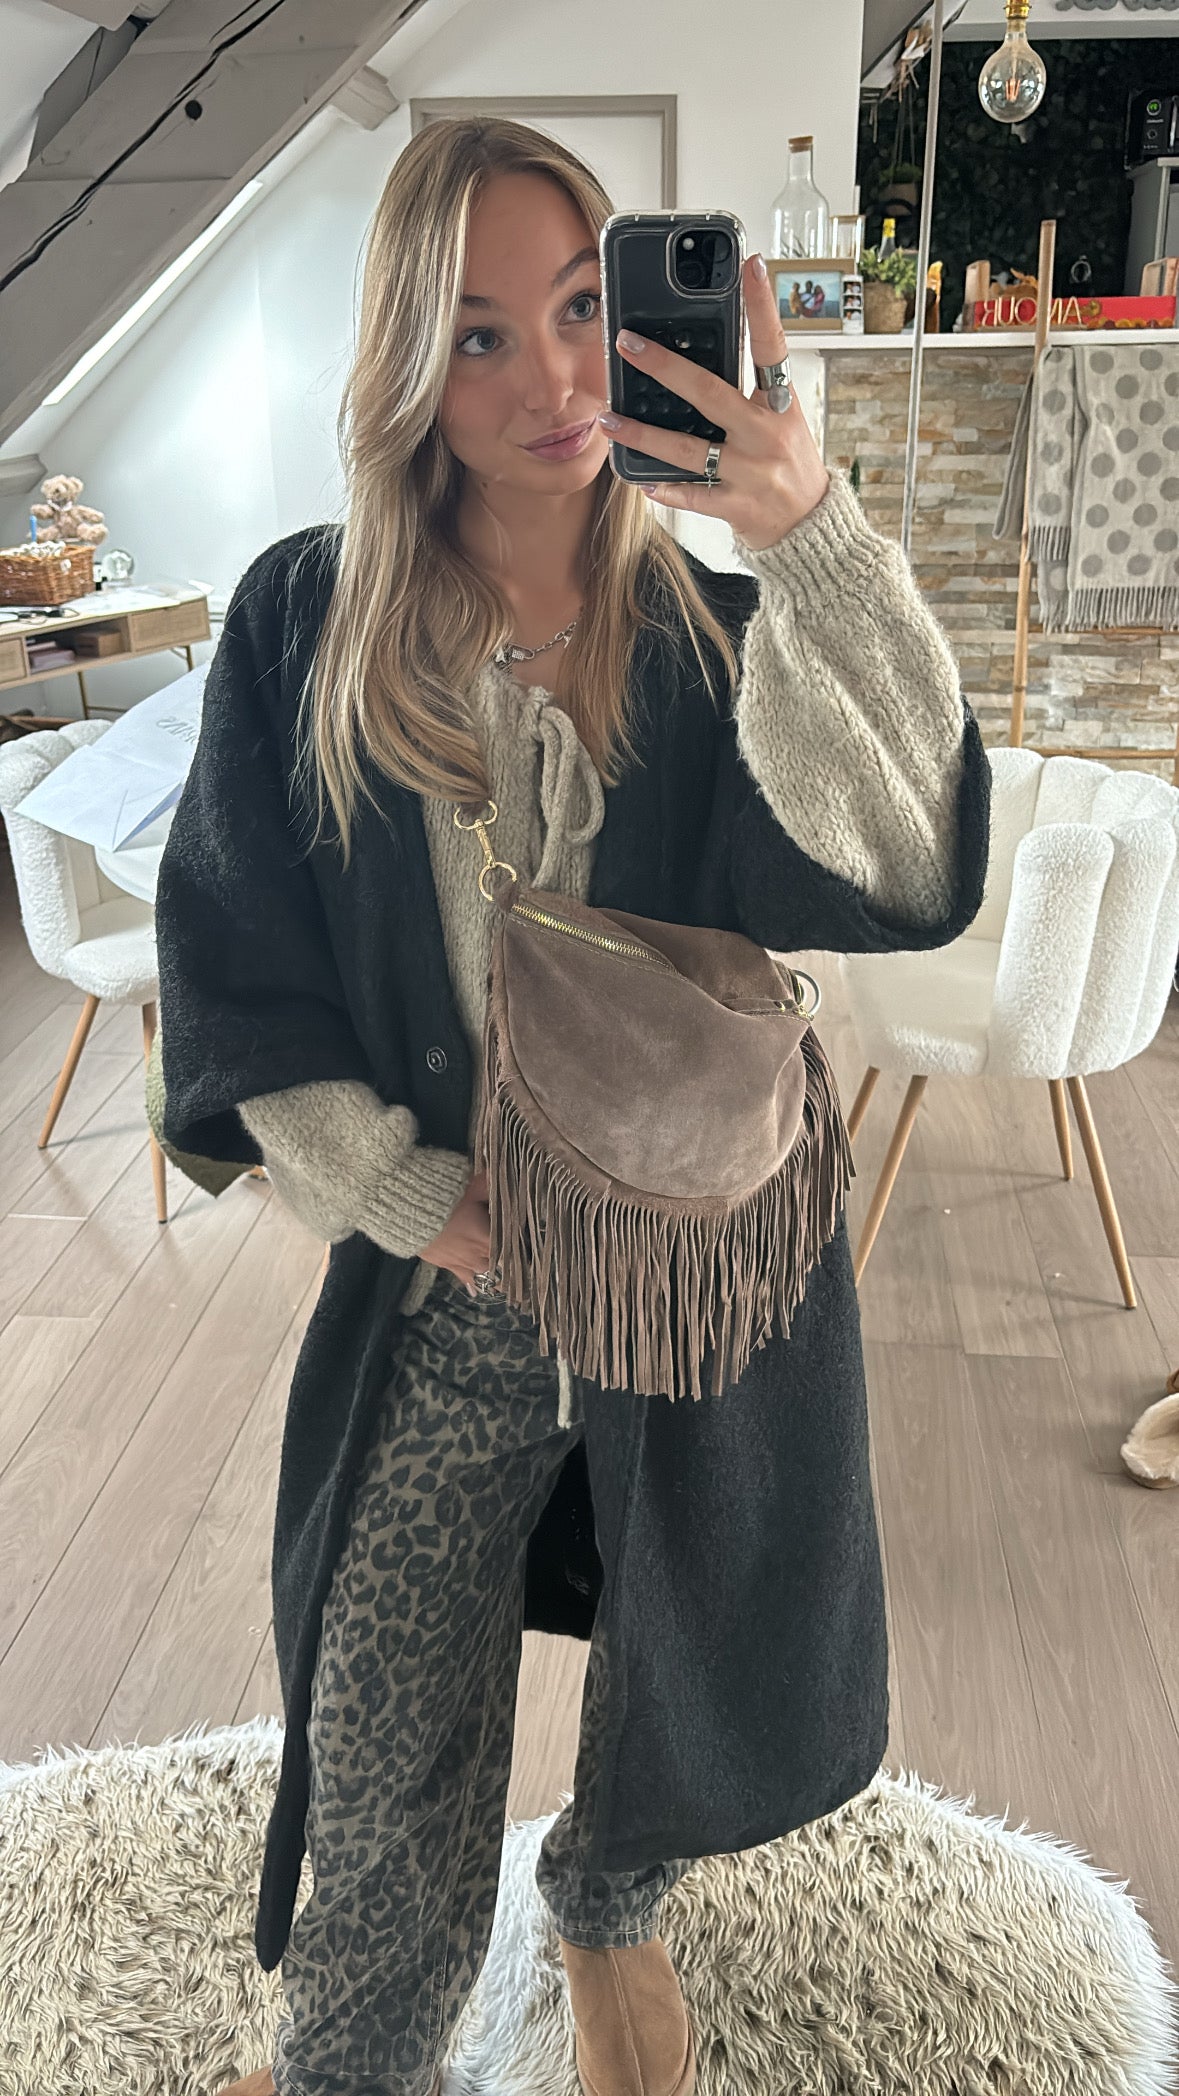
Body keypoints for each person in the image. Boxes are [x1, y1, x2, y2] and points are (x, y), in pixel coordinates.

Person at [155, 117, 989, 2096]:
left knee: (681, 1675)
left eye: (579, 310)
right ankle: (355, 2055)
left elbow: (904, 860)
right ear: (404, 368)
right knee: (378, 1727)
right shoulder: (306, 624)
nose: (547, 379)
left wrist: (810, 537)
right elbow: (236, 956)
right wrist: (401, 1192)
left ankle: (607, 1896)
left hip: (698, 1283)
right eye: (474, 336)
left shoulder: (716, 634)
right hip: (450, 1286)